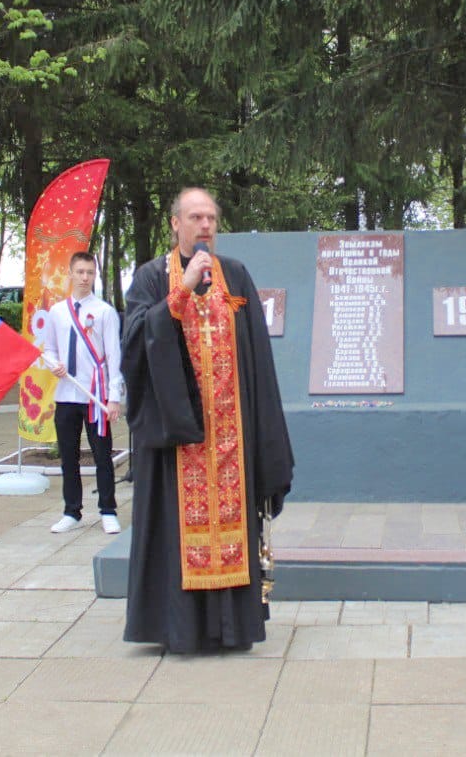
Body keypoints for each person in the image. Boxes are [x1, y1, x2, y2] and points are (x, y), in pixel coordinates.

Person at [121, 187, 294, 653]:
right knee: (178, 532)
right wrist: (181, 292)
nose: (205, 226)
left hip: (231, 437)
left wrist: (264, 433)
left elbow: (257, 356)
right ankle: (180, 629)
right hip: (178, 442)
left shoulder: (234, 275)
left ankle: (232, 628)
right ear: (175, 223)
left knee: (233, 528)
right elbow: (134, 343)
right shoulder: (151, 277)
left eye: (211, 218)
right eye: (195, 217)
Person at [42, 251, 125, 534]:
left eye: (90, 272)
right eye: (80, 272)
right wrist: (54, 365)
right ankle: (71, 511)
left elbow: (114, 355)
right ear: (70, 274)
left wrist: (114, 397)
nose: (85, 278)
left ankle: (108, 510)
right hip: (66, 395)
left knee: (103, 455)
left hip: (95, 395)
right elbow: (49, 348)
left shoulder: (104, 312)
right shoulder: (57, 312)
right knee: (69, 456)